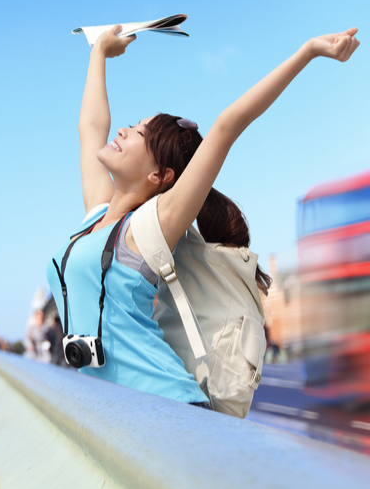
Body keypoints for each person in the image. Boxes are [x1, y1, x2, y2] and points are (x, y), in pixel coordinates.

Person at [46, 25, 359, 406]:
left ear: (160, 176)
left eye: (139, 134)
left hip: (169, 407)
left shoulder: (151, 226)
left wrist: (308, 51)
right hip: (125, 411)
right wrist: (99, 53)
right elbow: (91, 128)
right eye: (132, 125)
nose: (124, 131)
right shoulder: (95, 217)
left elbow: (228, 125)